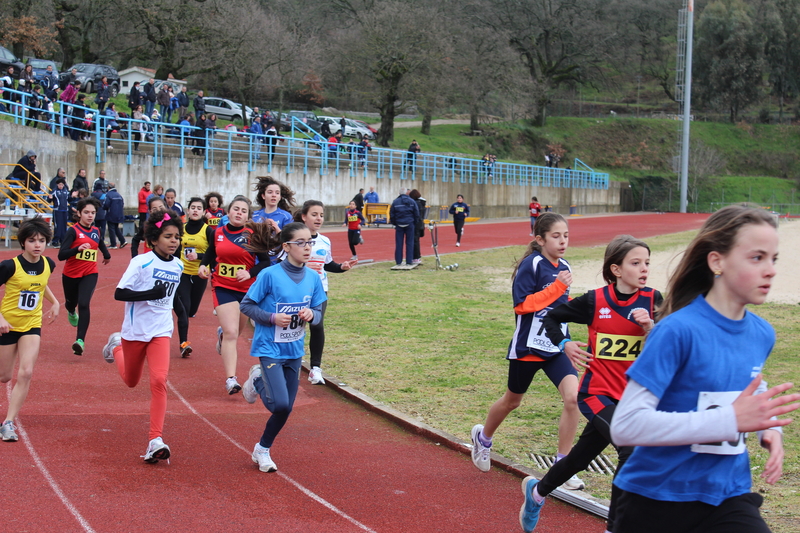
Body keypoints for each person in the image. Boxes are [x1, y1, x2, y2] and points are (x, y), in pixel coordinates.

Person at [607, 206, 799, 533]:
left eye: (774, 259)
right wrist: (729, 421)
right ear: (717, 261)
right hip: (655, 500)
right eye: (757, 258)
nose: (770, 271)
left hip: (726, 495)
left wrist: (769, 429)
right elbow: (625, 426)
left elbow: (747, 386)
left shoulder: (762, 333)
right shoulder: (677, 331)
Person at [519, 235, 661, 533]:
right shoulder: (595, 300)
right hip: (596, 393)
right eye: (636, 263)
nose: (644, 268)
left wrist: (651, 327)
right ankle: (614, 527)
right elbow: (552, 318)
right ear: (617, 269)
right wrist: (566, 344)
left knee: (579, 459)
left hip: (631, 398)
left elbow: (669, 345)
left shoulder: (653, 300)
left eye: (647, 262)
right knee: (629, 449)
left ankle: (536, 492)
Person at [470, 213, 584, 491]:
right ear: (540, 239)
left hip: (555, 347)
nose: (563, 241)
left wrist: (566, 340)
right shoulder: (531, 265)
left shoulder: (565, 265)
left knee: (574, 398)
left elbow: (560, 312)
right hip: (528, 348)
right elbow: (522, 305)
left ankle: (563, 465)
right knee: (512, 402)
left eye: (566, 235)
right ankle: (483, 438)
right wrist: (557, 287)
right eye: (556, 236)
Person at [240, 222, 327, 472]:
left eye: (310, 242)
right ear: (287, 247)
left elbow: (319, 312)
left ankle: (262, 449)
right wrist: (271, 318)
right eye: (301, 243)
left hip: (294, 350)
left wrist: (312, 314)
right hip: (269, 347)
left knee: (286, 407)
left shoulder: (313, 277)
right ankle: (257, 381)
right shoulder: (269, 274)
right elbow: (246, 305)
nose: (307, 247)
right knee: (279, 404)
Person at [102, 209, 184, 463]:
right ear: (154, 239)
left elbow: (171, 298)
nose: (174, 241)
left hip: (161, 330)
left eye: (177, 237)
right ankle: (116, 347)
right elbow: (119, 293)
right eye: (168, 236)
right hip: (135, 331)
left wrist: (181, 318)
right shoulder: (141, 262)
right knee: (130, 381)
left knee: (159, 380)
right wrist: (150, 293)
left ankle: (154, 440)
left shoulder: (179, 265)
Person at [198, 196, 271, 394]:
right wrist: (203, 265)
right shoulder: (217, 232)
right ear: (228, 212)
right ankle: (231, 379)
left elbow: (265, 262)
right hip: (222, 286)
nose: (239, 213)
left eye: (243, 210)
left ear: (248, 215)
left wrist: (249, 272)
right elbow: (210, 253)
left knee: (236, 333)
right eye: (236, 209)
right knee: (232, 333)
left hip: (246, 289)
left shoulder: (253, 234)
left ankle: (222, 336)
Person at [0, 218, 59, 442]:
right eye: (32, 240)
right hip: (8, 326)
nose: (37, 245)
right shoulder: (9, 266)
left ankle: (7, 423)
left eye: (42, 241)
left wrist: (54, 302)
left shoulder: (48, 264)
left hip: (32, 324)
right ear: (23, 242)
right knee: (4, 376)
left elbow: (41, 284)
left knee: (26, 372)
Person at [295, 201, 354, 385]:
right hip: (297, 290)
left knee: (317, 326)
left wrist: (342, 267)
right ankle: (292, 363)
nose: (319, 218)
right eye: (314, 214)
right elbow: (285, 263)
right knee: (296, 327)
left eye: (321, 214)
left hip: (319, 291)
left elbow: (328, 264)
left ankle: (315, 369)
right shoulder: (294, 239)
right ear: (304, 217)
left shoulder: (325, 241)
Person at [58, 197, 111, 355]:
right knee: (71, 303)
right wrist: (77, 249)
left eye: (93, 213)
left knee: (84, 304)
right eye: (86, 212)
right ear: (79, 213)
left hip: (89, 273)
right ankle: (71, 311)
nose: (90, 216)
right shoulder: (73, 231)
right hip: (70, 274)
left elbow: (99, 242)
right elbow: (61, 255)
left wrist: (106, 255)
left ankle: (80, 340)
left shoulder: (96, 230)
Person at [176, 198, 215, 358]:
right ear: (188, 210)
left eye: (199, 208)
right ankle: (183, 343)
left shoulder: (208, 231)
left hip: (201, 273)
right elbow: (176, 248)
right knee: (184, 309)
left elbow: (214, 253)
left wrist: (198, 255)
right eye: (193, 207)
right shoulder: (182, 228)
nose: (195, 210)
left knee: (192, 310)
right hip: (183, 273)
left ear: (204, 211)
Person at [389, 187, 419, 266]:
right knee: (409, 243)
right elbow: (416, 214)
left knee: (399, 243)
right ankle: (409, 261)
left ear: (399, 193)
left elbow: (392, 214)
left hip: (399, 224)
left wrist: (394, 223)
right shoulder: (412, 201)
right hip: (410, 223)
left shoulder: (395, 202)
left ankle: (398, 261)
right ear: (407, 193)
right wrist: (414, 223)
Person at [103, 182, 127, 249]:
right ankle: (122, 240)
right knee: (116, 228)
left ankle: (113, 244)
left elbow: (106, 204)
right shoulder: (119, 195)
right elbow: (122, 204)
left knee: (111, 229)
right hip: (119, 214)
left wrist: (104, 208)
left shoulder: (108, 194)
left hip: (111, 214)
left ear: (108, 187)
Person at [409, 189, 427, 265]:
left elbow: (416, 215)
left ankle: (416, 257)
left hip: (416, 224)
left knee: (415, 241)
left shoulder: (416, 204)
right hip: (420, 224)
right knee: (416, 241)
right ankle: (416, 257)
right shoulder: (421, 203)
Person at [51, 178, 70, 247]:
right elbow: (49, 199)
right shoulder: (54, 191)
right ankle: (55, 240)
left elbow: (69, 199)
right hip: (57, 210)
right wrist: (50, 198)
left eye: (62, 184)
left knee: (64, 225)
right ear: (57, 184)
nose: (61, 186)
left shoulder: (66, 191)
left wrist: (73, 196)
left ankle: (63, 240)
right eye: (60, 184)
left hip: (65, 210)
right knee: (58, 226)